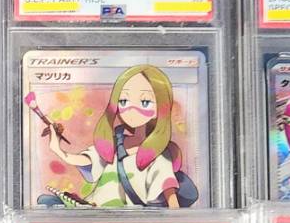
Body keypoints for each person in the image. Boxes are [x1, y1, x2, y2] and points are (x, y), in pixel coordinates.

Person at [39, 65, 195, 208]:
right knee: (47, 202)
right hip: (94, 209)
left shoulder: (159, 156)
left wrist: (175, 222)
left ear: (159, 108)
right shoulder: (115, 143)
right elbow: (88, 160)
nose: (131, 109)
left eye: (145, 102)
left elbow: (169, 194)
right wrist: (58, 150)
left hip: (126, 220)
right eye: (124, 101)